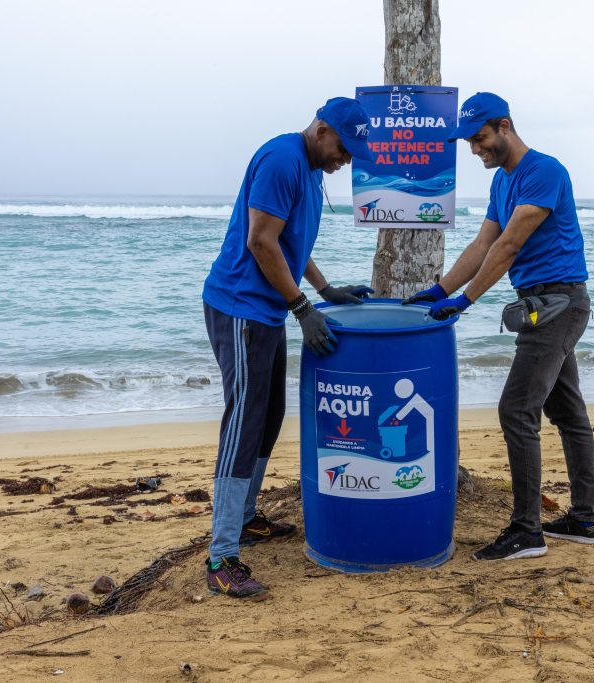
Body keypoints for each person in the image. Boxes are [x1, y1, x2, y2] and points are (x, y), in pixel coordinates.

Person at [404, 92, 594, 561]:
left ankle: (526, 531)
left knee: (516, 410)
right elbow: (482, 244)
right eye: (471, 142)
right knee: (568, 413)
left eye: (480, 139)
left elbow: (510, 246)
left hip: (559, 304)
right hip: (541, 306)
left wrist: (465, 301)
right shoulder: (503, 184)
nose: (476, 150)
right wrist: (440, 288)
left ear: (505, 126)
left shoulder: (543, 172)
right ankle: (584, 519)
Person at [201, 97, 375, 598]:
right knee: (243, 422)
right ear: (322, 130)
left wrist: (324, 291)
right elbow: (260, 241)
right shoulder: (282, 159)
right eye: (344, 149)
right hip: (240, 307)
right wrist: (302, 308)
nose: (345, 161)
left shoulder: (308, 168)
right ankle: (221, 556)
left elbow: (290, 242)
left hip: (268, 309)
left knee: (269, 415)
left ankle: (247, 518)